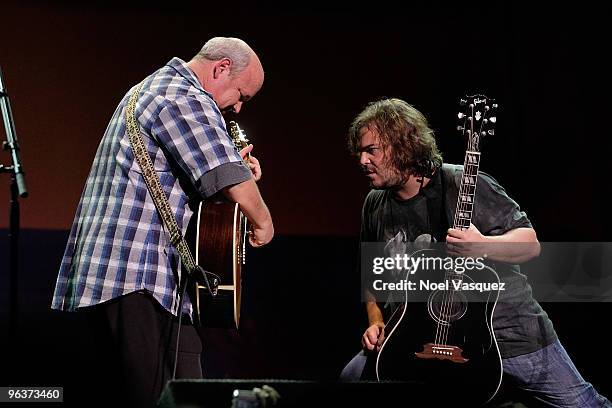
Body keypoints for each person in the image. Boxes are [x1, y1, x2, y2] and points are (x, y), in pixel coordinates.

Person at [341, 98, 610, 407]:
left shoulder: (462, 183)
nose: (361, 160)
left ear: (404, 145)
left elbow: (530, 244)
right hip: (423, 339)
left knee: (584, 405)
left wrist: (482, 246)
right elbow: (374, 279)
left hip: (506, 333)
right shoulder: (375, 204)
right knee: (352, 379)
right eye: (359, 151)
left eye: (371, 150)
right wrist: (376, 322)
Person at [51, 37, 274, 407]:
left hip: (130, 276)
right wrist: (263, 219)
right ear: (220, 69)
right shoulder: (185, 96)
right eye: (241, 95)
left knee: (180, 387)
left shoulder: (152, 88)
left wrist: (235, 171)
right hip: (136, 275)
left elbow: (197, 178)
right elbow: (222, 173)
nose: (236, 107)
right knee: (159, 398)